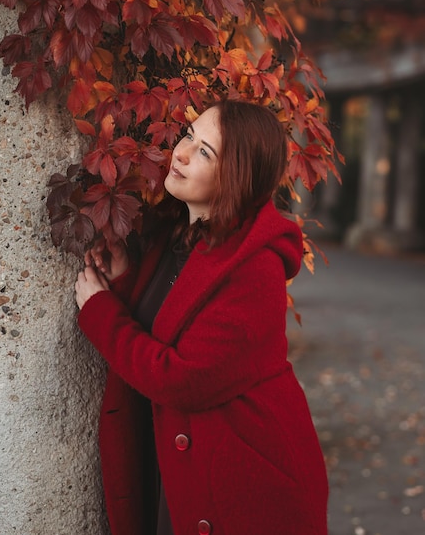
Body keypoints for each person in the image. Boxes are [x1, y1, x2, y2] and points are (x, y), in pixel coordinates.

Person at [75, 99, 329, 535]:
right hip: (188, 467)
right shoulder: (182, 235)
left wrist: (101, 312)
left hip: (246, 487)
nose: (182, 152)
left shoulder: (256, 270)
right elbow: (173, 324)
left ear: (237, 176)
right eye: (190, 135)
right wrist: (123, 284)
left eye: (206, 152)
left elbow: (183, 378)